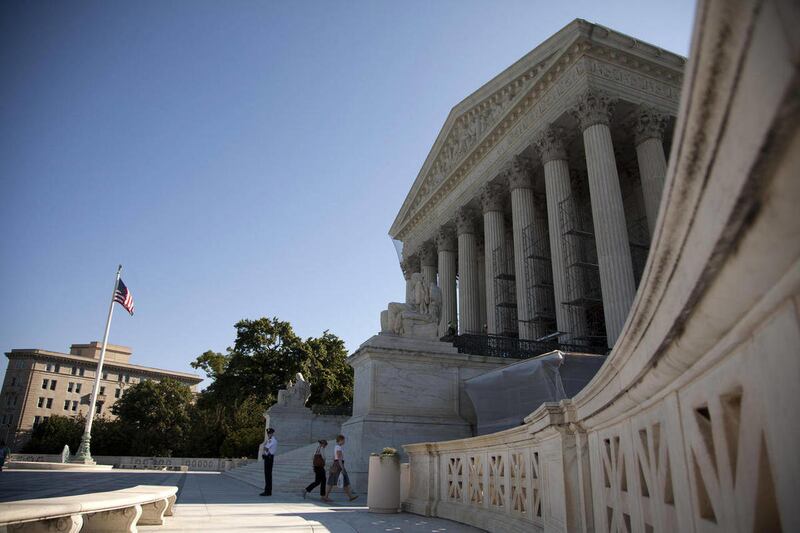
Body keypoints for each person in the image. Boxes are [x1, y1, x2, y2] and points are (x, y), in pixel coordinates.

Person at [321, 435, 357, 503]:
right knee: (344, 480)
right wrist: (342, 468)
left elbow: (334, 457)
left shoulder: (336, 447)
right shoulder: (338, 448)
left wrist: (332, 465)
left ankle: (325, 496)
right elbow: (339, 458)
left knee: (331, 481)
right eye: (343, 440)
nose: (344, 441)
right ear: (340, 440)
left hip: (336, 464)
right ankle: (350, 496)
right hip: (339, 465)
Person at [260, 428, 277, 496]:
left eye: (270, 433)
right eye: (268, 433)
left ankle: (268, 491)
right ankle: (267, 490)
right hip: (268, 458)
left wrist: (265, 452)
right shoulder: (270, 440)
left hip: (269, 458)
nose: (268, 434)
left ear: (272, 433)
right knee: (267, 475)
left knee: (268, 475)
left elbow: (265, 448)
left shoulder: (272, 441)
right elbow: (265, 448)